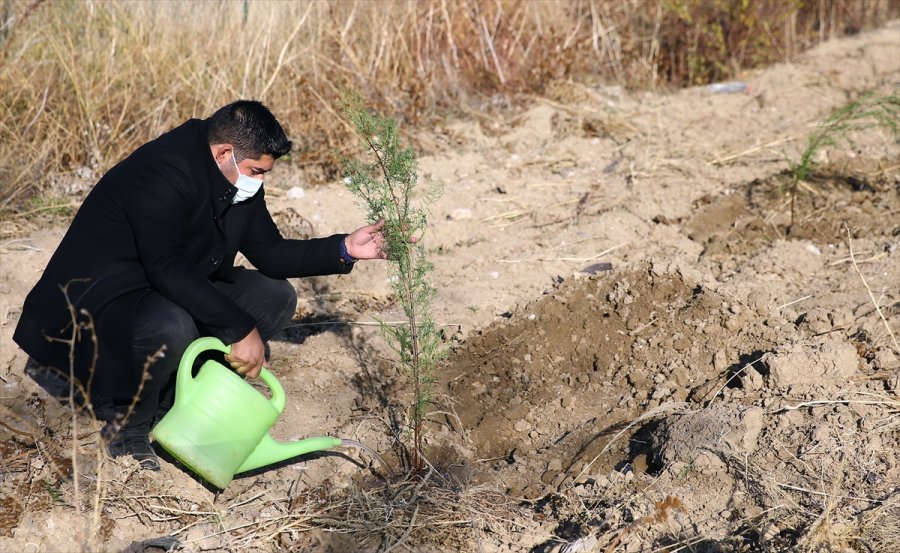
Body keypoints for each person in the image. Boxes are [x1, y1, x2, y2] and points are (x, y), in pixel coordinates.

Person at [13, 100, 386, 470]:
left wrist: (345, 248)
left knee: (274, 297)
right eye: (257, 171)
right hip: (97, 306)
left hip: (160, 288)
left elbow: (270, 252)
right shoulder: (162, 170)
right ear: (225, 152)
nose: (260, 181)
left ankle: (172, 402)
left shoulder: (236, 177)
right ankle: (128, 427)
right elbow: (166, 267)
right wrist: (240, 329)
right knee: (173, 325)